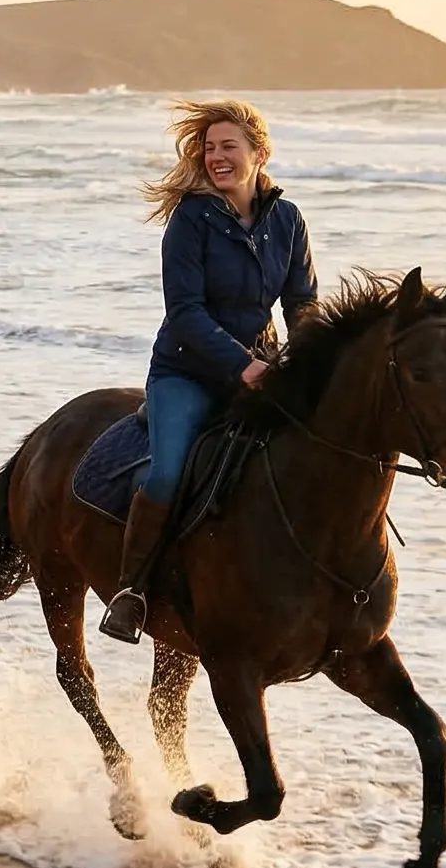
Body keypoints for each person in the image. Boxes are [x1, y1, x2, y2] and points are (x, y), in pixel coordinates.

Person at [101, 99, 318, 644]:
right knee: (169, 472)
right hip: (185, 372)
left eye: (229, 147)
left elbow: (302, 303)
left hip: (262, 366)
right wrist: (241, 367)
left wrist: (310, 359)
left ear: (259, 153)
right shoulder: (191, 219)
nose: (216, 156)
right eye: (210, 147)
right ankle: (130, 593)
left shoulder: (288, 219)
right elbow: (186, 312)